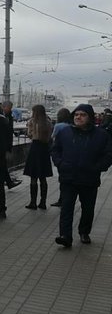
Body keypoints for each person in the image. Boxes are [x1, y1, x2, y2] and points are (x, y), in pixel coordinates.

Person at [51, 104, 112, 247]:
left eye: (82, 115)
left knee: (88, 208)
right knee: (66, 207)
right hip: (68, 177)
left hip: (89, 179)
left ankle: (84, 231)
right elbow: (55, 150)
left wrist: (98, 167)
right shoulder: (65, 132)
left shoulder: (101, 135)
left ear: (90, 117)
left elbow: (108, 155)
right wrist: (60, 163)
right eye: (76, 114)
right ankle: (65, 235)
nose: (78, 117)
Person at [23, 105, 53, 210]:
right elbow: (50, 137)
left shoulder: (32, 122)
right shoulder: (48, 122)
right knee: (43, 177)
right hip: (44, 150)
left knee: (33, 177)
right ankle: (43, 202)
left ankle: (33, 202)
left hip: (35, 149)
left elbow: (29, 134)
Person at [50, 107, 73, 207]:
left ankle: (61, 200)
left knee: (62, 178)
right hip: (69, 153)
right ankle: (66, 199)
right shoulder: (71, 125)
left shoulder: (58, 126)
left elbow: (53, 137)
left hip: (61, 154)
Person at [0, 100, 22, 189]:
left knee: (3, 165)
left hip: (5, 144)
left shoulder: (8, 116)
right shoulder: (1, 116)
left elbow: (9, 130)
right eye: (9, 108)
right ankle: (8, 182)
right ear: (4, 107)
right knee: (2, 164)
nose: (10, 110)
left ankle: (8, 182)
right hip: (1, 144)